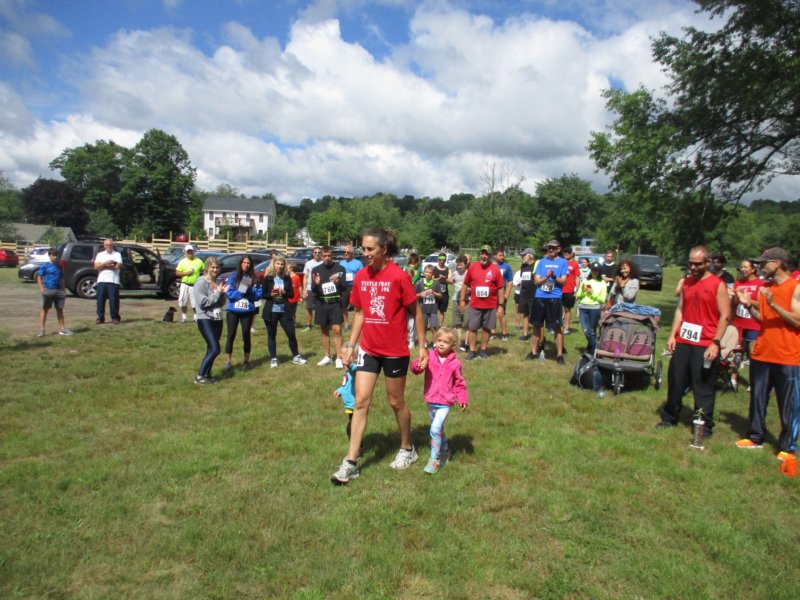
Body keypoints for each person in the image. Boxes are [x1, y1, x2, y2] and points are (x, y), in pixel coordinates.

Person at [331, 228, 427, 484]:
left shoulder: (399, 276)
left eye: (370, 249)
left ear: (384, 250)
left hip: (395, 351)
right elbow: (360, 312)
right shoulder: (361, 276)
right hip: (369, 349)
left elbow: (416, 312)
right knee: (361, 402)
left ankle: (407, 448)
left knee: (396, 402)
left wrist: (422, 346)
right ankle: (351, 461)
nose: (365, 253)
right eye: (363, 248)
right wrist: (351, 345)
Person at [734, 248, 800, 460]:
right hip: (762, 353)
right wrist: (747, 305)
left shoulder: (795, 287)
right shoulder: (766, 288)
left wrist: (773, 303)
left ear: (777, 263)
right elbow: (763, 318)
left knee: (788, 403)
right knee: (757, 397)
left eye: (764, 263)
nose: (760, 267)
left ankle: (788, 447)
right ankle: (755, 437)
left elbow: (797, 321)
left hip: (787, 355)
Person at [657, 246, 730, 436]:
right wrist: (672, 335)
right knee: (676, 381)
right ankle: (669, 417)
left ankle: (703, 426)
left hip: (705, 344)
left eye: (698, 264)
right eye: (691, 263)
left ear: (707, 262)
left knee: (702, 387)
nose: (693, 267)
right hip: (684, 341)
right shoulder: (686, 283)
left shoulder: (718, 284)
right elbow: (680, 310)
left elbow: (725, 316)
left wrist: (715, 343)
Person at [410, 327, 468, 474]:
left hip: (445, 402)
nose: (441, 344)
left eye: (446, 342)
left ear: (453, 345)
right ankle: (445, 450)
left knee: (435, 429)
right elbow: (415, 368)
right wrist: (418, 365)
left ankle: (434, 460)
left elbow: (459, 384)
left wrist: (462, 398)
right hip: (431, 400)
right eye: (439, 340)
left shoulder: (455, 364)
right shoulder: (429, 356)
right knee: (438, 429)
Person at [459, 245, 504, 361]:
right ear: (480, 254)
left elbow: (500, 288)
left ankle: (483, 350)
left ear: (490, 256)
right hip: (475, 304)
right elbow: (465, 284)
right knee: (472, 328)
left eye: (486, 254)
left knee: (487, 328)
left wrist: (501, 306)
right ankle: (472, 351)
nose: (484, 256)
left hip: (490, 305)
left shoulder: (495, 269)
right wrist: (462, 300)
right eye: (482, 253)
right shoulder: (473, 267)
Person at [263, 255, 307, 368]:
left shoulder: (287, 278)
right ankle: (273, 358)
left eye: (282, 264)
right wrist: (271, 295)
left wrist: (284, 292)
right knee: (271, 335)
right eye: (278, 264)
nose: (279, 266)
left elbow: (291, 294)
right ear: (274, 264)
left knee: (291, 333)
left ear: (284, 266)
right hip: (271, 310)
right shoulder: (268, 278)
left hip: (284, 310)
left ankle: (296, 356)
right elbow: (263, 294)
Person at [529, 240, 568, 364]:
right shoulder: (541, 262)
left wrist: (554, 277)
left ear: (558, 249)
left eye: (553, 248)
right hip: (540, 297)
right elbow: (536, 281)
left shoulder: (563, 262)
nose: (551, 250)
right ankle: (534, 352)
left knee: (557, 327)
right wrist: (546, 277)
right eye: (549, 248)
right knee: (537, 325)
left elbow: (563, 281)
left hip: (555, 298)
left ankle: (559, 355)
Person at [193, 256, 229, 384]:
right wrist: (217, 293)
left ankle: (207, 374)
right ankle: (200, 376)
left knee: (210, 348)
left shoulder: (217, 282)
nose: (215, 270)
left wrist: (222, 293)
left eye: (217, 267)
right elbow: (203, 302)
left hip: (217, 318)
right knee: (215, 349)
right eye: (212, 267)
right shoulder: (200, 282)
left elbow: (220, 303)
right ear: (207, 267)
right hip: (205, 318)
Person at [223, 255, 261, 372]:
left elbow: (258, 295)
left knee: (246, 334)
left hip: (247, 311)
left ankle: (246, 361)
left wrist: (249, 290)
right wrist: (241, 292)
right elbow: (229, 293)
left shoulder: (254, 278)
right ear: (241, 263)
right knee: (231, 335)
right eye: (244, 262)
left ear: (251, 265)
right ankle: (228, 361)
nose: (246, 265)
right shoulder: (233, 277)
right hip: (233, 311)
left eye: (248, 263)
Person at [312, 246, 347, 368]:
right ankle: (327, 356)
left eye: (329, 256)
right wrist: (316, 284)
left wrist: (338, 282)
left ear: (332, 256)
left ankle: (338, 357)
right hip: (322, 303)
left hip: (335, 303)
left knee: (337, 329)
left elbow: (345, 287)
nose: (327, 258)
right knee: (324, 330)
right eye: (325, 256)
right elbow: (313, 290)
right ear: (321, 256)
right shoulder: (316, 270)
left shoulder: (340, 269)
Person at [731, 258, 763, 381]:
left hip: (753, 323)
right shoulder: (738, 283)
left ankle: (753, 381)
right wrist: (735, 295)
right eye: (741, 267)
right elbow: (734, 304)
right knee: (737, 353)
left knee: (752, 353)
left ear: (753, 269)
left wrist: (747, 300)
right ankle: (733, 379)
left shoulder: (760, 284)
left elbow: (761, 305)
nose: (742, 269)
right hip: (739, 323)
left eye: (745, 267)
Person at [36, 247, 72, 337]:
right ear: (49, 256)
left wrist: (63, 290)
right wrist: (41, 288)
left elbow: (62, 278)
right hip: (48, 290)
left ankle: (62, 328)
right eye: (53, 255)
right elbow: (39, 277)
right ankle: (42, 329)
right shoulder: (45, 266)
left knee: (60, 309)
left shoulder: (59, 266)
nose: (55, 257)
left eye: (56, 255)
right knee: (45, 309)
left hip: (59, 290)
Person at [575, 261, 607, 354]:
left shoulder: (602, 283)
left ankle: (590, 351)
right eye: (593, 270)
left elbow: (602, 299)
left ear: (599, 271)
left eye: (597, 270)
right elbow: (579, 295)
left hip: (594, 309)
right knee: (586, 330)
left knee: (592, 331)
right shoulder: (586, 281)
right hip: (583, 308)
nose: (595, 272)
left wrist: (592, 293)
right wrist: (583, 291)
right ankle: (596, 348)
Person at [333, 362, 362, 456]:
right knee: (353, 428)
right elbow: (345, 386)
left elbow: (354, 369)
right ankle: (358, 448)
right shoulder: (347, 373)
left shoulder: (355, 372)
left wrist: (350, 365)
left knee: (351, 429)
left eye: (346, 360)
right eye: (342, 360)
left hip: (355, 406)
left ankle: (357, 449)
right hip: (349, 406)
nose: (343, 362)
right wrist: (339, 391)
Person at [94, 238, 122, 324]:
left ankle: (115, 317)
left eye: (110, 245)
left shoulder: (117, 254)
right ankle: (100, 318)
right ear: (104, 246)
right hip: (102, 280)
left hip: (113, 280)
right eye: (107, 245)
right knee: (100, 300)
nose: (109, 246)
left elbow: (117, 266)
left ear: (112, 245)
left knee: (113, 300)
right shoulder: (100, 255)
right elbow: (96, 267)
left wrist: (102, 266)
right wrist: (106, 263)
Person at [175, 245, 204, 323]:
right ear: (185, 252)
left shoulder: (199, 261)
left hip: (195, 285)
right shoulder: (182, 262)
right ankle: (184, 317)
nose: (190, 253)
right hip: (185, 284)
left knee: (195, 302)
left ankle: (196, 317)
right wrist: (186, 273)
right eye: (188, 251)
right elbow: (177, 273)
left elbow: (204, 270)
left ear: (193, 251)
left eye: (191, 251)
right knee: (183, 301)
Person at [416, 264, 444, 346]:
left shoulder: (436, 283)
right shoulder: (419, 283)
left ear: (433, 274)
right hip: (423, 308)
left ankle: (435, 343)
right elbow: (414, 295)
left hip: (433, 308)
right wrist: (421, 294)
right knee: (423, 327)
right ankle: (424, 342)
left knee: (433, 327)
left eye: (430, 272)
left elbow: (441, 296)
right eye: (426, 272)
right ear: (424, 272)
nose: (428, 274)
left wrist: (434, 293)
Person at [339, 245, 362, 331]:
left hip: (354, 286)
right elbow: (339, 274)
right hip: (344, 286)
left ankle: (357, 323)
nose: (345, 253)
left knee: (356, 306)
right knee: (343, 305)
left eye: (347, 252)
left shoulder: (358, 263)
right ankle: (346, 324)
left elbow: (361, 275)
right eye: (344, 252)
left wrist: (357, 287)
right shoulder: (341, 263)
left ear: (352, 254)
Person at [448, 255, 469, 352]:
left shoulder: (469, 273)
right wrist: (450, 280)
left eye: (461, 265)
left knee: (467, 324)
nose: (459, 267)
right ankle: (459, 343)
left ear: (466, 265)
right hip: (456, 300)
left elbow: (474, 285)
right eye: (458, 265)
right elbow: (451, 281)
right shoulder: (455, 273)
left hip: (467, 300)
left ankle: (466, 344)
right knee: (457, 324)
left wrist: (469, 289)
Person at [493, 248, 514, 341]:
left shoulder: (507, 267)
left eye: (503, 255)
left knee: (501, 313)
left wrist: (506, 295)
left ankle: (504, 334)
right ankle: (492, 333)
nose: (502, 257)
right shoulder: (491, 266)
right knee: (492, 314)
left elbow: (510, 281)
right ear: (495, 256)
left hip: (501, 292)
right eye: (500, 255)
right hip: (491, 293)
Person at [301, 246, 323, 330]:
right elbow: (305, 277)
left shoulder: (323, 263)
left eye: (319, 252)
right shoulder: (308, 263)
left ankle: (322, 324)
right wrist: (304, 289)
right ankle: (308, 325)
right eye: (315, 252)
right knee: (309, 307)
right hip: (310, 288)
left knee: (322, 307)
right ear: (313, 254)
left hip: (321, 288)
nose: (317, 254)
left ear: (321, 254)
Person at [517, 248, 536, 341]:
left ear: (529, 256)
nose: (522, 257)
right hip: (524, 294)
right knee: (525, 314)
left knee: (535, 315)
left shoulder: (536, 265)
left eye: (524, 255)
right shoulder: (523, 266)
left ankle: (537, 335)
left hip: (533, 294)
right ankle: (525, 334)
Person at [561, 246, 580, 334]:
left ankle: (566, 327)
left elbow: (577, 277)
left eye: (568, 252)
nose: (566, 254)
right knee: (557, 309)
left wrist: (577, 290)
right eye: (565, 252)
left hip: (569, 290)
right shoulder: (560, 262)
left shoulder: (574, 264)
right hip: (559, 289)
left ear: (571, 254)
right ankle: (558, 326)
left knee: (567, 309)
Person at [432, 253, 451, 327]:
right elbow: (430, 279)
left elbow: (451, 281)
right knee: (433, 310)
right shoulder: (434, 269)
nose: (442, 261)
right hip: (435, 292)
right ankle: (433, 324)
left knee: (442, 310)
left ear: (445, 260)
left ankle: (440, 325)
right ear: (438, 260)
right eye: (440, 260)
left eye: (443, 260)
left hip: (444, 293)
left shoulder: (448, 269)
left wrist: (445, 279)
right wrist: (438, 279)